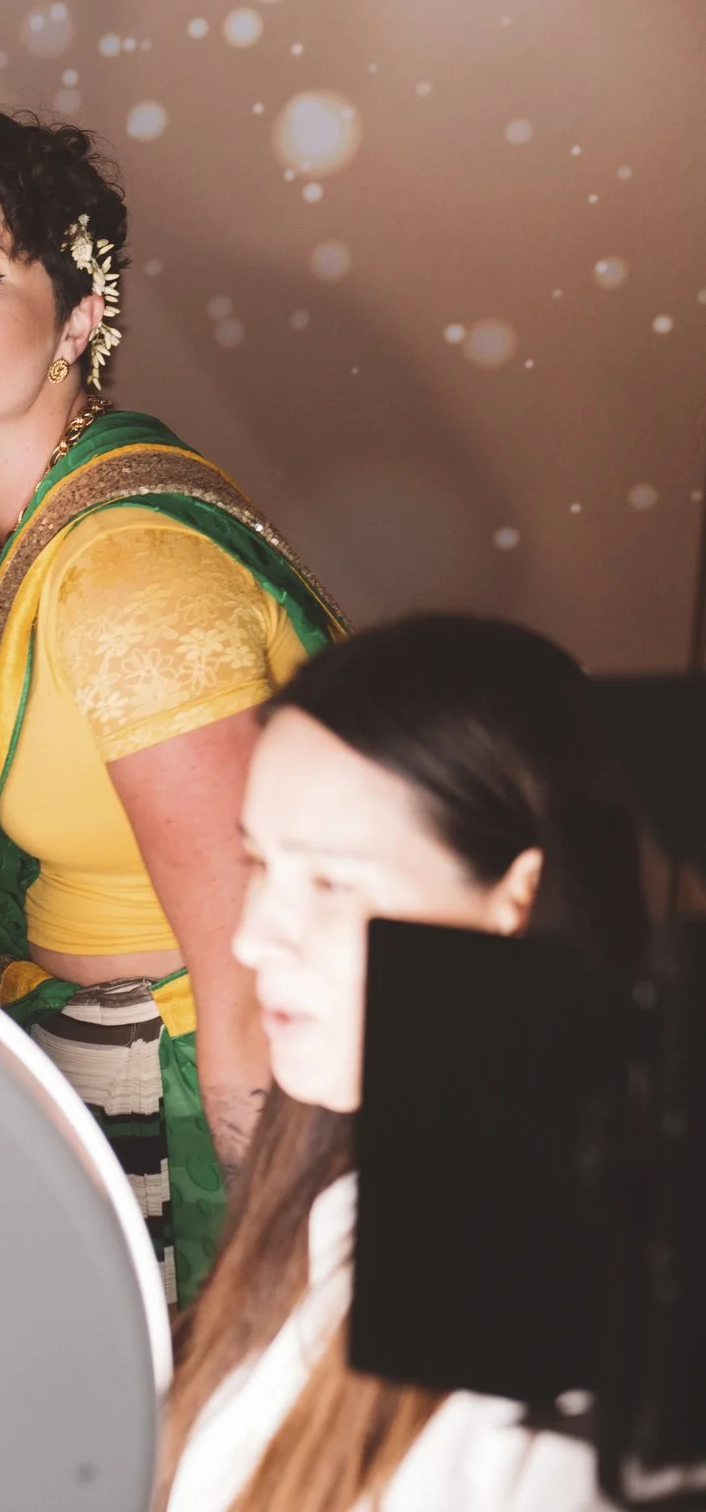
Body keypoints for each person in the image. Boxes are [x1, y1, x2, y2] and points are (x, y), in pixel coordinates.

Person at [0, 106, 344, 1308]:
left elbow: (241, 975)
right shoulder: (15, 524)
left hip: (184, 1102)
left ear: (79, 319)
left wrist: (271, 1276)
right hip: (84, 1080)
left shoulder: (124, 571)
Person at [162, 615, 646, 1511]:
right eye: (260, 863)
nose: (254, 935)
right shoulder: (326, 1185)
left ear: (519, 897)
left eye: (334, 882)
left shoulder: (583, 1339)